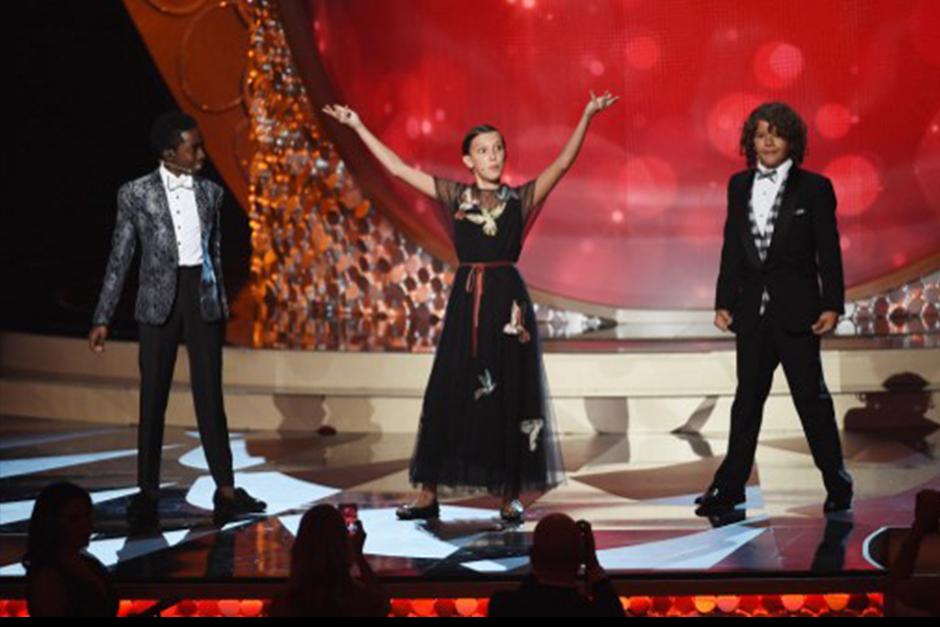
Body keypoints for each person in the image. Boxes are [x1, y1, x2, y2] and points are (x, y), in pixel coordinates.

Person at [322, 91, 617, 522]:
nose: (493, 156)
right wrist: (357, 125)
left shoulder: (519, 200)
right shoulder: (455, 196)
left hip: (508, 304)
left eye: (498, 149)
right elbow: (399, 169)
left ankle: (509, 495)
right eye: (483, 150)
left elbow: (562, 165)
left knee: (510, 397)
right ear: (468, 161)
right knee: (448, 389)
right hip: (468, 301)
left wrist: (586, 115)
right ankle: (428, 492)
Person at [89, 111, 265, 525]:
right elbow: (120, 257)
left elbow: (215, 254)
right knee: (154, 397)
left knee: (210, 396)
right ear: (171, 152)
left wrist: (221, 303)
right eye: (194, 147)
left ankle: (225, 487)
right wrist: (103, 316)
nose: (202, 153)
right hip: (158, 299)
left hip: (200, 298)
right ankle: (147, 490)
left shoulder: (210, 194)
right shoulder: (135, 194)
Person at [697, 102, 853, 516]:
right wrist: (723, 301)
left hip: (799, 312)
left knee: (811, 401)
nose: (767, 140)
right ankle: (731, 488)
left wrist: (833, 304)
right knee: (746, 401)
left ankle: (837, 482)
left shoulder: (815, 188)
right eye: (760, 133)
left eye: (776, 133)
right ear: (751, 140)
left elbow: (828, 252)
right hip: (752, 313)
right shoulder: (738, 185)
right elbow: (733, 247)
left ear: (792, 141)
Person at [488, 514, 624, 617]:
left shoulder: (502, 606)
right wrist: (592, 563)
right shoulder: (593, 612)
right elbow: (613, 611)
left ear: (533, 556)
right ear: (581, 556)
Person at [271, 504, 390, 617]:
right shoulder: (358, 600)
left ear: (301, 546)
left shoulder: (285, 602)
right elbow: (381, 605)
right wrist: (358, 555)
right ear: (343, 544)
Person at [25, 482, 118, 617]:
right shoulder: (48, 575)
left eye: (88, 516)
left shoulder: (88, 563)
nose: (86, 525)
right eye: (74, 519)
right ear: (52, 523)